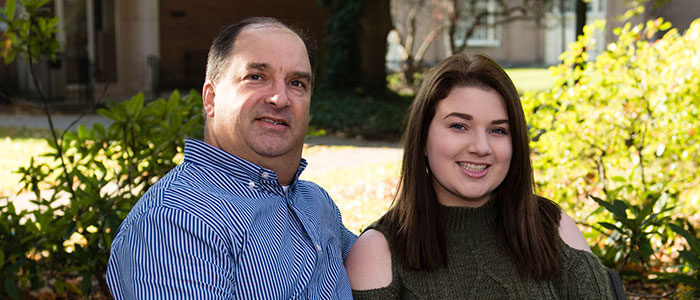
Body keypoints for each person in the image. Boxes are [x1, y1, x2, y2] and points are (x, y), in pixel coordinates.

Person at [106, 17, 356, 299]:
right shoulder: (177, 220)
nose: (280, 98)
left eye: (296, 83)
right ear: (211, 98)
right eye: (256, 77)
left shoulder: (314, 203)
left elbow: (389, 262)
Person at [345, 52, 612, 299]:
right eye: (459, 126)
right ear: (423, 138)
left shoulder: (551, 227)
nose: (481, 147)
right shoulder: (379, 252)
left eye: (498, 130)